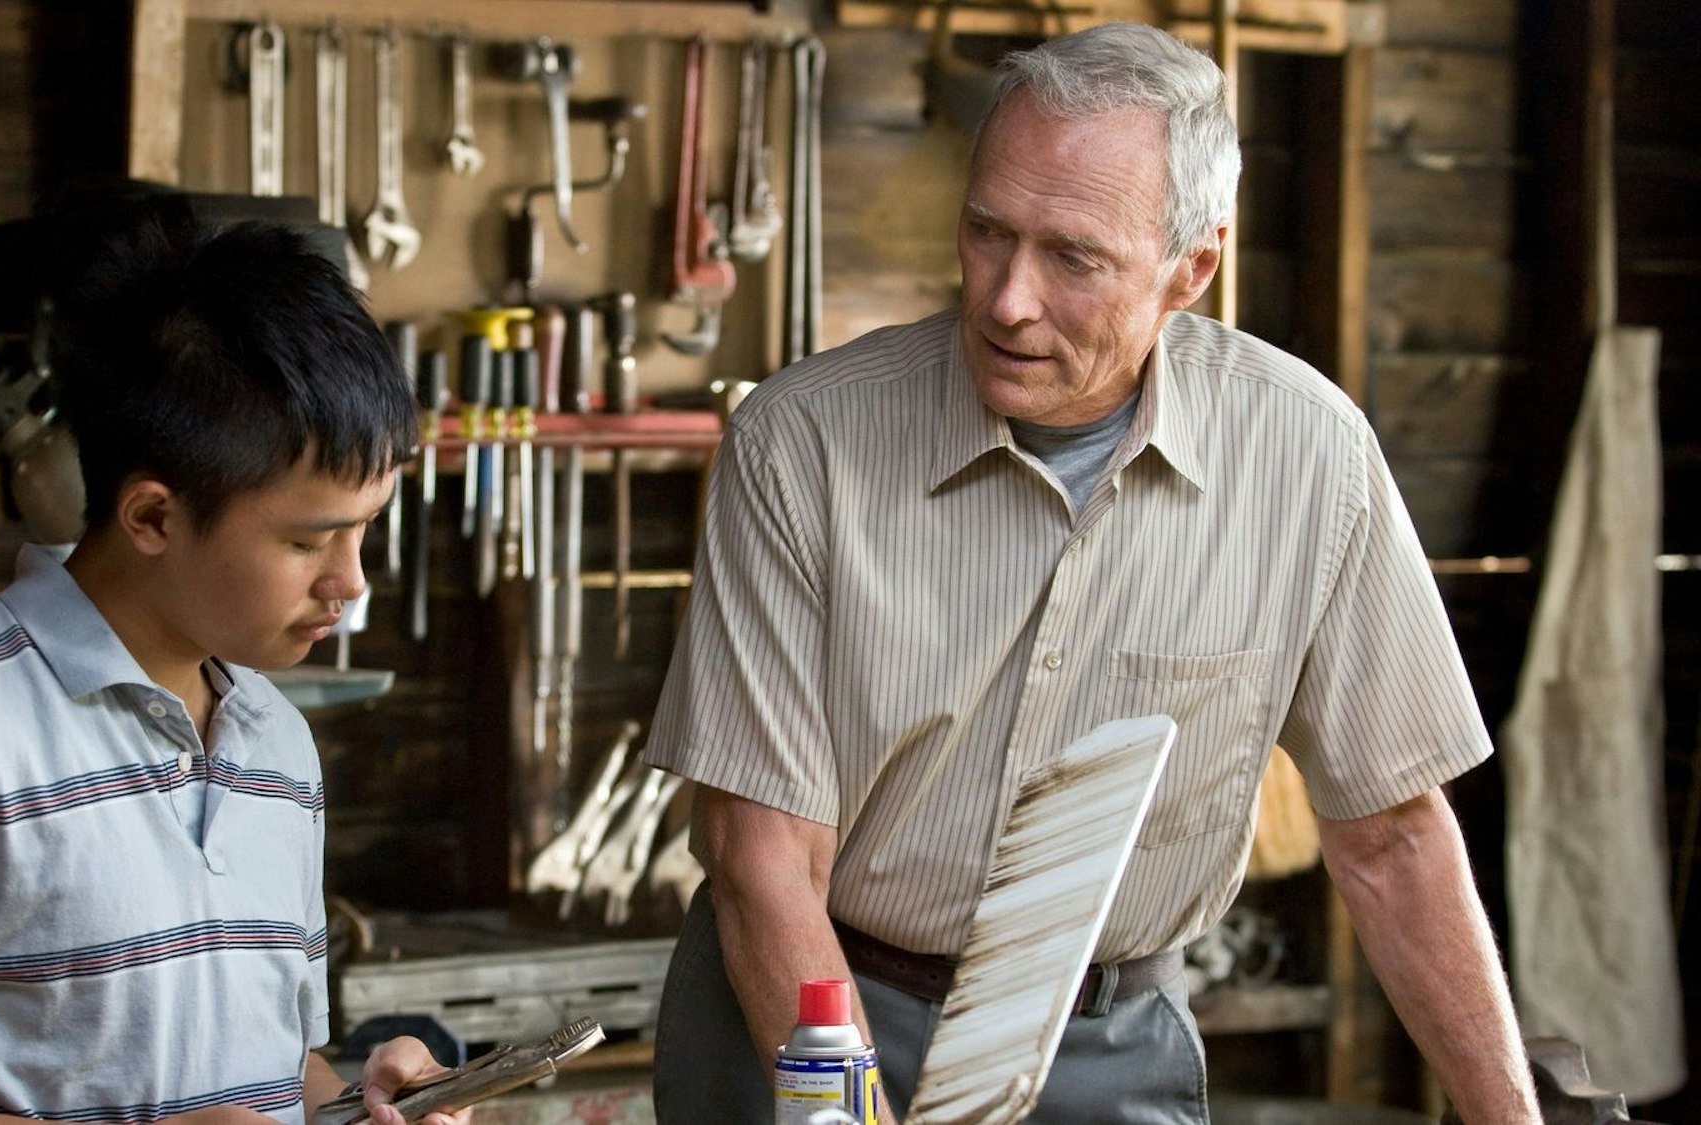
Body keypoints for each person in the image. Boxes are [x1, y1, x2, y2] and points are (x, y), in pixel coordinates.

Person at [644, 21, 1541, 1124]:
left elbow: (1394, 841)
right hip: (807, 1004)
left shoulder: (1310, 457)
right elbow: (763, 860)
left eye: (1072, 257)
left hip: (1107, 1040)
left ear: (1190, 270)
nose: (1007, 299)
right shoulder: (801, 443)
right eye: (987, 232)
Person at [0, 198, 460, 1124]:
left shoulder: (274, 738)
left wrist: (360, 1102)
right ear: (152, 516)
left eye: (365, 528)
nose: (349, 581)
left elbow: (269, 1073)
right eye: (310, 540)